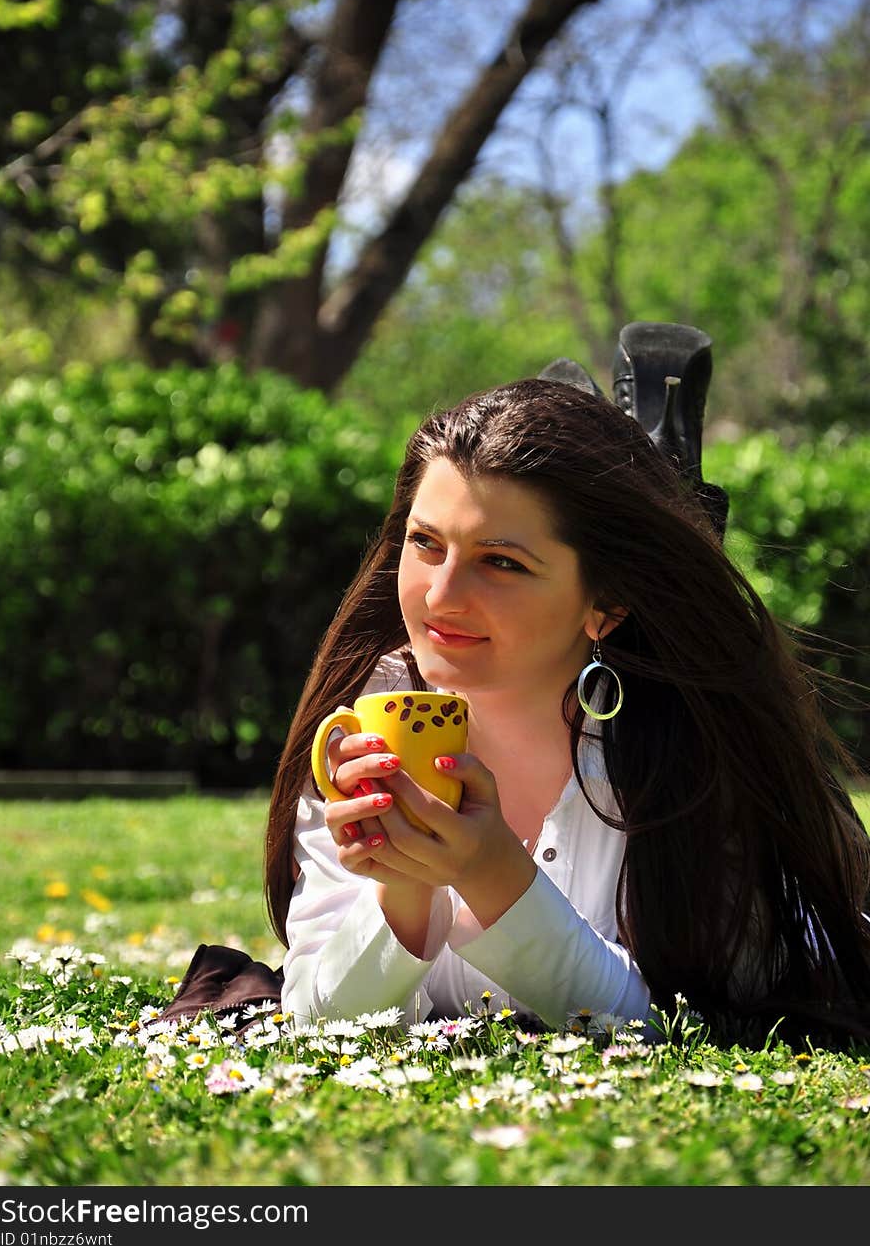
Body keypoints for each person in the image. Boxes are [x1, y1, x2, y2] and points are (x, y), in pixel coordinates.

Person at [263, 377, 870, 1048]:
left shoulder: (690, 748)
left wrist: (496, 878)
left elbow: (710, 1018)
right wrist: (403, 893)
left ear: (606, 603)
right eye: (426, 543)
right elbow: (318, 1022)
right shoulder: (367, 719)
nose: (441, 594)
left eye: (501, 561)